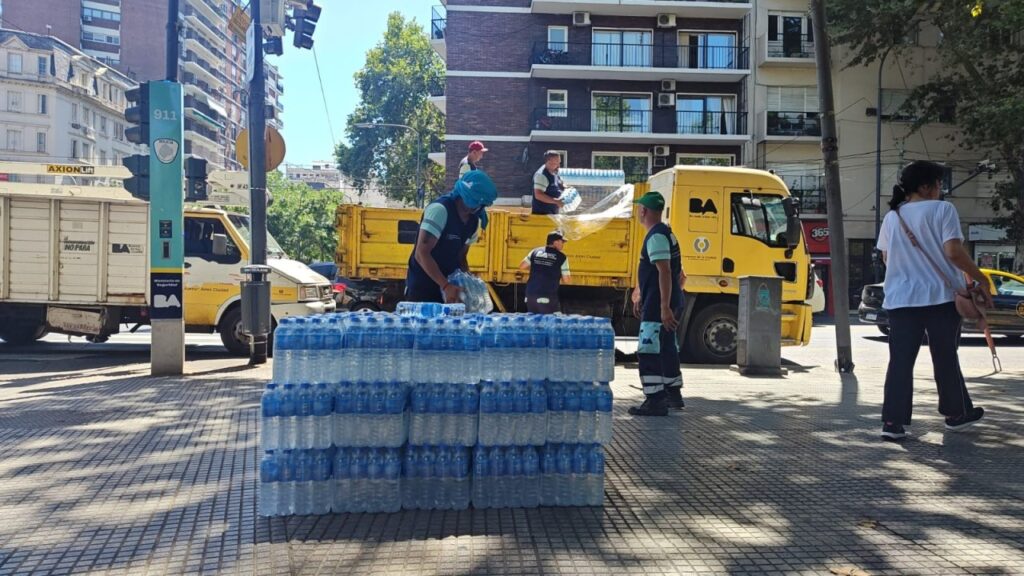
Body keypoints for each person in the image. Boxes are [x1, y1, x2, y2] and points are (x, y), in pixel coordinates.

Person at [876, 160, 993, 441]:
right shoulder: (943, 210)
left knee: (900, 361)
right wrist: (980, 278)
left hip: (901, 299)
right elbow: (953, 252)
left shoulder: (893, 217)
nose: (942, 189)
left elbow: (886, 257)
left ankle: (893, 422)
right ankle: (956, 414)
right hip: (940, 297)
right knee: (945, 356)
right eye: (940, 183)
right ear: (926, 186)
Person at [629, 191, 685, 416]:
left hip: (658, 306)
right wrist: (641, 292)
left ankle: (655, 400)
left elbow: (665, 272)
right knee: (667, 348)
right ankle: (673, 394)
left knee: (649, 349)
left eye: (639, 209)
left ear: (643, 211)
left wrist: (664, 306)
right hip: (664, 301)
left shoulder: (656, 236)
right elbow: (681, 275)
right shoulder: (667, 233)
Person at [405, 170, 498, 304]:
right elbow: (421, 253)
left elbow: (461, 257)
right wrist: (445, 285)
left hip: (449, 292)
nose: (481, 208)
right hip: (423, 290)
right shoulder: (440, 210)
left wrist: (468, 282)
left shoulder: (473, 222)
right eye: (480, 203)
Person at [519, 230, 572, 314]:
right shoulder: (562, 257)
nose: (563, 244)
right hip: (547, 296)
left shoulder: (535, 251)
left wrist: (538, 268)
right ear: (555, 242)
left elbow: (522, 266)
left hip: (530, 295)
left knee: (534, 320)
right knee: (553, 320)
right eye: (562, 242)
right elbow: (567, 280)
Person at [532, 150, 565, 215]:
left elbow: (558, 183)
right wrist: (556, 201)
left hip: (552, 213)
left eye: (559, 162)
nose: (558, 165)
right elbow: (538, 195)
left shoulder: (554, 170)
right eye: (556, 163)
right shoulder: (541, 175)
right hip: (542, 215)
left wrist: (564, 187)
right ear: (548, 161)